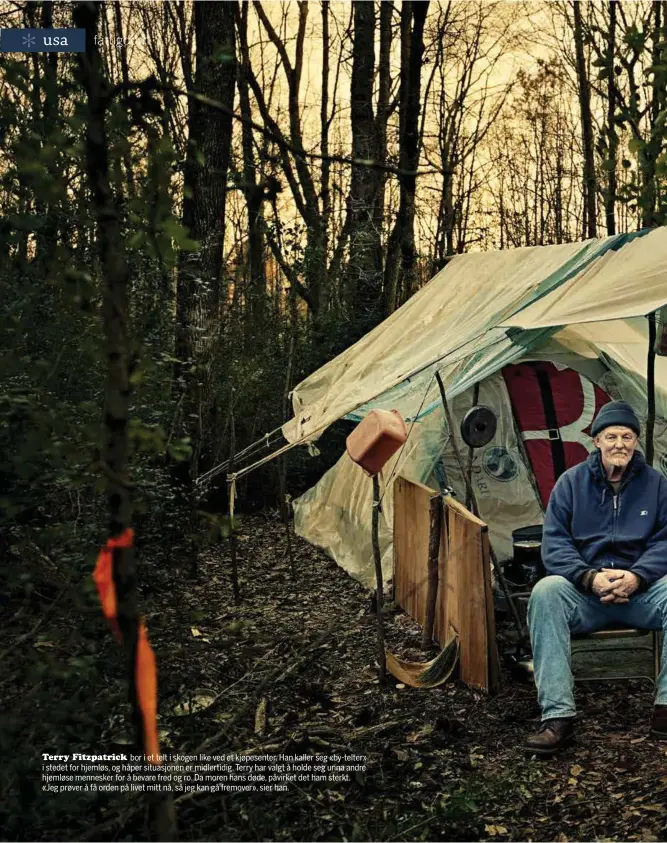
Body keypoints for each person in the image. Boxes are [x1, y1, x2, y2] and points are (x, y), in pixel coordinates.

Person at [525, 400, 667, 756]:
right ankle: (557, 717)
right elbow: (554, 544)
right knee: (546, 591)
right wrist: (588, 577)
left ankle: (666, 709)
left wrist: (637, 576)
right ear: (597, 441)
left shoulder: (657, 484)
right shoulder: (571, 483)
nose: (620, 443)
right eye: (611, 436)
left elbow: (665, 540)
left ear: (636, 442)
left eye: (627, 436)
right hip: (586, 595)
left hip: (640, 594)